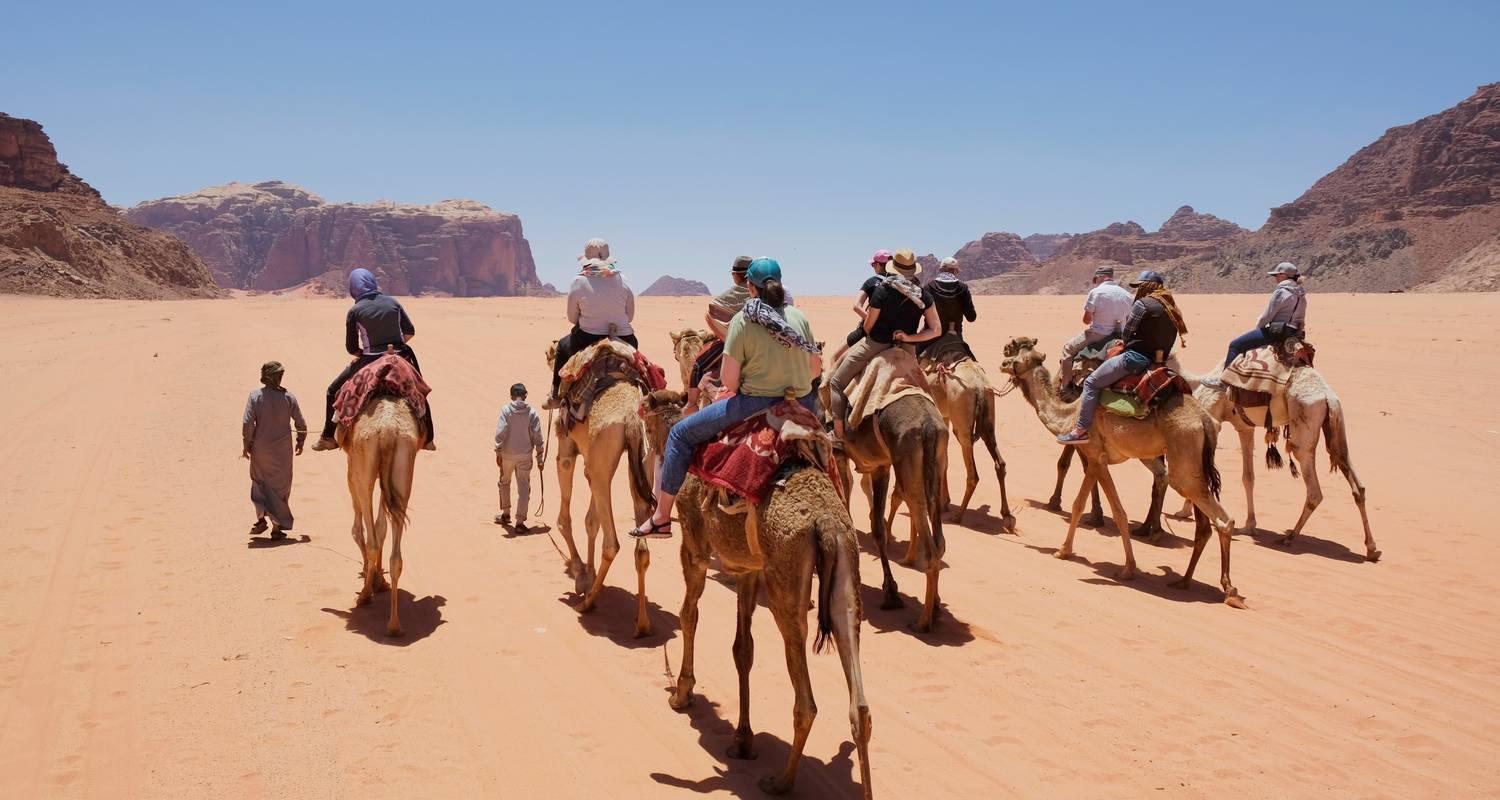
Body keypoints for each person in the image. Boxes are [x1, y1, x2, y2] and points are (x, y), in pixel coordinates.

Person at [630, 258, 821, 539]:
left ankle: (660, 518)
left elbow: (730, 381)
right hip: (802, 403)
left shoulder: (743, 320)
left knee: (680, 434)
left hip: (755, 404)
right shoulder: (798, 317)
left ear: (749, 288)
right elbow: (815, 368)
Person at [1057, 270, 1189, 445]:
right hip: (1158, 360)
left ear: (1147, 287)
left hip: (1135, 359)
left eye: (1140, 287)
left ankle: (1080, 430)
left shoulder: (1142, 304)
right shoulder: (1172, 309)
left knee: (1091, 383)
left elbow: (1127, 334)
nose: (1137, 291)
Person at [312, 269, 436, 452]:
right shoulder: (393, 302)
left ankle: (328, 437)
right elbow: (410, 331)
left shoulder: (355, 311)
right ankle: (429, 439)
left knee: (333, 390)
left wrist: (366, 353)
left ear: (354, 288)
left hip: (370, 360)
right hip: (399, 355)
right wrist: (396, 345)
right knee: (419, 390)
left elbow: (352, 348)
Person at [827, 249, 940, 439]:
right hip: (906, 349)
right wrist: (907, 338)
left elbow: (869, 325)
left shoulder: (882, 289)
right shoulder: (923, 294)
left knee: (836, 382)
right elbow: (936, 329)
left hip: (876, 344)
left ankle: (838, 436)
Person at [547, 238, 638, 407]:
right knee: (642, 368)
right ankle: (649, 397)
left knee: (561, 346)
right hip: (624, 337)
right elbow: (630, 316)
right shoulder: (624, 280)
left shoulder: (578, 281)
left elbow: (572, 319)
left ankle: (555, 395)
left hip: (587, 338)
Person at [1205, 262, 1308, 385]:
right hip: (1292, 333)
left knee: (1235, 345)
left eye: (1276, 275)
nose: (1275, 278)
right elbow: (1301, 319)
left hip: (1276, 332)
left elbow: (1267, 316)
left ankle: (1224, 381)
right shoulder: (1301, 295)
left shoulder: (1281, 292)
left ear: (1283, 275)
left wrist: (1258, 330)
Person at [242, 361, 307, 539]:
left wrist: (246, 444)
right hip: (282, 452)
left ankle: (261, 518)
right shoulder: (288, 397)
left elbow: (247, 423)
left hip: (260, 450)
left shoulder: (255, 396)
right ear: (278, 377)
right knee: (280, 488)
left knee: (259, 481)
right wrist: (301, 441)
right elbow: (301, 423)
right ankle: (277, 527)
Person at [1057, 265, 1134, 386]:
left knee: (1068, 349)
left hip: (1099, 333)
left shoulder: (1096, 292)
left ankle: (1065, 385)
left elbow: (1086, 320)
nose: (1095, 282)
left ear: (1099, 277)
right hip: (1121, 334)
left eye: (1095, 279)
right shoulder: (1127, 295)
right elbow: (1129, 319)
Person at [494, 383, 545, 532]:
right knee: (524, 488)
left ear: (511, 396)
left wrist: (498, 451)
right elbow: (538, 437)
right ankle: (520, 522)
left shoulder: (505, 410)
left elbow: (500, 432)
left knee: (504, 482)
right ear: (525, 395)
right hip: (525, 456)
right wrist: (540, 459)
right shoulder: (532, 413)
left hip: (507, 455)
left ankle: (505, 514)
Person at [830, 249, 893, 364]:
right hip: (894, 332)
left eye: (873, 264)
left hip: (869, 329)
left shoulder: (872, 282)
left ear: (878, 265)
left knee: (835, 358)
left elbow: (856, 306)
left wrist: (872, 320)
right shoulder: (901, 284)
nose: (873, 267)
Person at [921, 256, 978, 357]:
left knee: (915, 356)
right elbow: (971, 317)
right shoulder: (963, 288)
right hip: (955, 335)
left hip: (931, 336)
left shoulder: (928, 287)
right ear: (955, 270)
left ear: (940, 269)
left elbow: (920, 312)